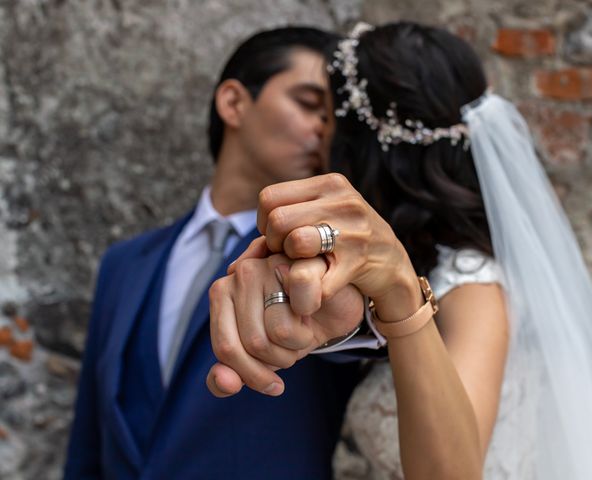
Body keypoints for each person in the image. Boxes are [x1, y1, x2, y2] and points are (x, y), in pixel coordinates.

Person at [208, 22, 592, 479]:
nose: (320, 138)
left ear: (364, 147)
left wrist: (400, 297)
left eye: (329, 120)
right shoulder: (428, 269)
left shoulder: (472, 283)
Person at [64, 26, 370, 479]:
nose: (324, 130)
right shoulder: (123, 265)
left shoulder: (329, 262)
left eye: (334, 118)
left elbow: (371, 331)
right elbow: (88, 445)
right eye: (309, 105)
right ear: (233, 102)